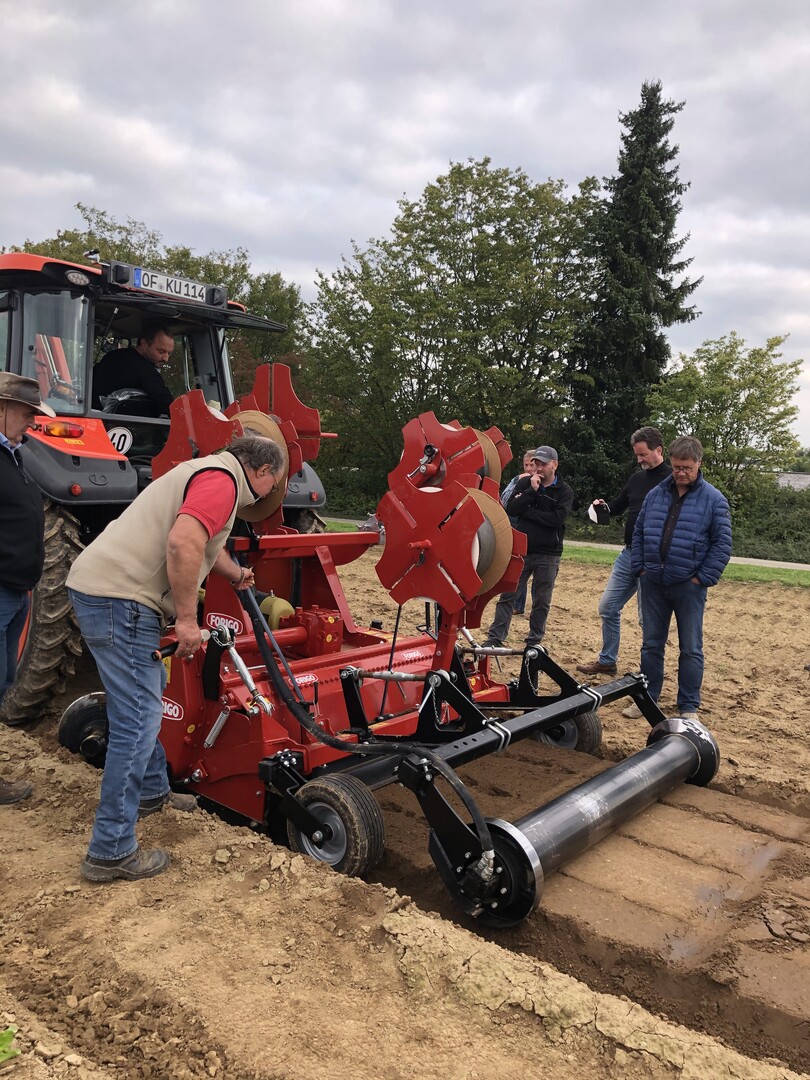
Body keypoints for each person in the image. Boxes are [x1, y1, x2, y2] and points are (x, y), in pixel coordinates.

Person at [67, 433, 286, 882]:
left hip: (106, 591)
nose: (269, 494)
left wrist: (236, 574)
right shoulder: (224, 483)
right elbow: (184, 543)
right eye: (274, 483)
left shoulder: (209, 472)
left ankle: (152, 793)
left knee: (139, 705)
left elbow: (206, 543)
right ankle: (110, 851)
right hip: (120, 599)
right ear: (261, 471)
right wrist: (188, 619)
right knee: (139, 720)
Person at [626, 435, 732, 720]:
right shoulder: (656, 494)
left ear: (698, 463)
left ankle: (688, 707)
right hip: (653, 583)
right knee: (651, 644)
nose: (681, 473)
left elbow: (722, 544)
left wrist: (702, 578)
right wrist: (641, 568)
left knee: (691, 648)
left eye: (686, 467)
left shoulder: (714, 499)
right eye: (676, 467)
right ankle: (647, 699)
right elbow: (638, 533)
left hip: (689, 586)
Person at [0, 374, 56, 804]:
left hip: (17, 592)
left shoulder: (14, 456)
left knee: (4, 679)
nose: (32, 422)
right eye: (26, 413)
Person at [576, 427, 671, 676]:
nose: (639, 460)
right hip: (628, 554)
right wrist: (602, 508)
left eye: (643, 454)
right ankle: (607, 661)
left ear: (658, 450)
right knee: (608, 607)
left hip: (653, 559)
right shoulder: (636, 479)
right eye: (636, 455)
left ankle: (649, 672)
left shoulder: (671, 481)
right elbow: (617, 506)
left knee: (646, 619)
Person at [483, 446, 574, 649]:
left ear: (555, 464)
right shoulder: (525, 483)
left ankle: (534, 641)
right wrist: (531, 492)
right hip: (522, 550)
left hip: (549, 554)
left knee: (541, 601)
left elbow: (556, 520)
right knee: (508, 595)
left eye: (543, 464)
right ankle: (495, 639)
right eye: (536, 464)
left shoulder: (565, 491)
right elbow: (512, 509)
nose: (539, 468)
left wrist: (529, 512)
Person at [91, 323, 176, 417]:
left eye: (169, 353)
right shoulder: (145, 370)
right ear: (144, 344)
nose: (166, 358)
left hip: (92, 417)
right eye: (161, 351)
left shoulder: (112, 356)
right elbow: (167, 403)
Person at [499, 450, 535, 615]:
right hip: (514, 526)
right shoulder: (517, 480)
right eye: (526, 465)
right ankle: (517, 604)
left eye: (532, 465)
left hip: (532, 531)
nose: (528, 468)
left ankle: (525, 605)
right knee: (518, 566)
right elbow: (505, 500)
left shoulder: (543, 483)